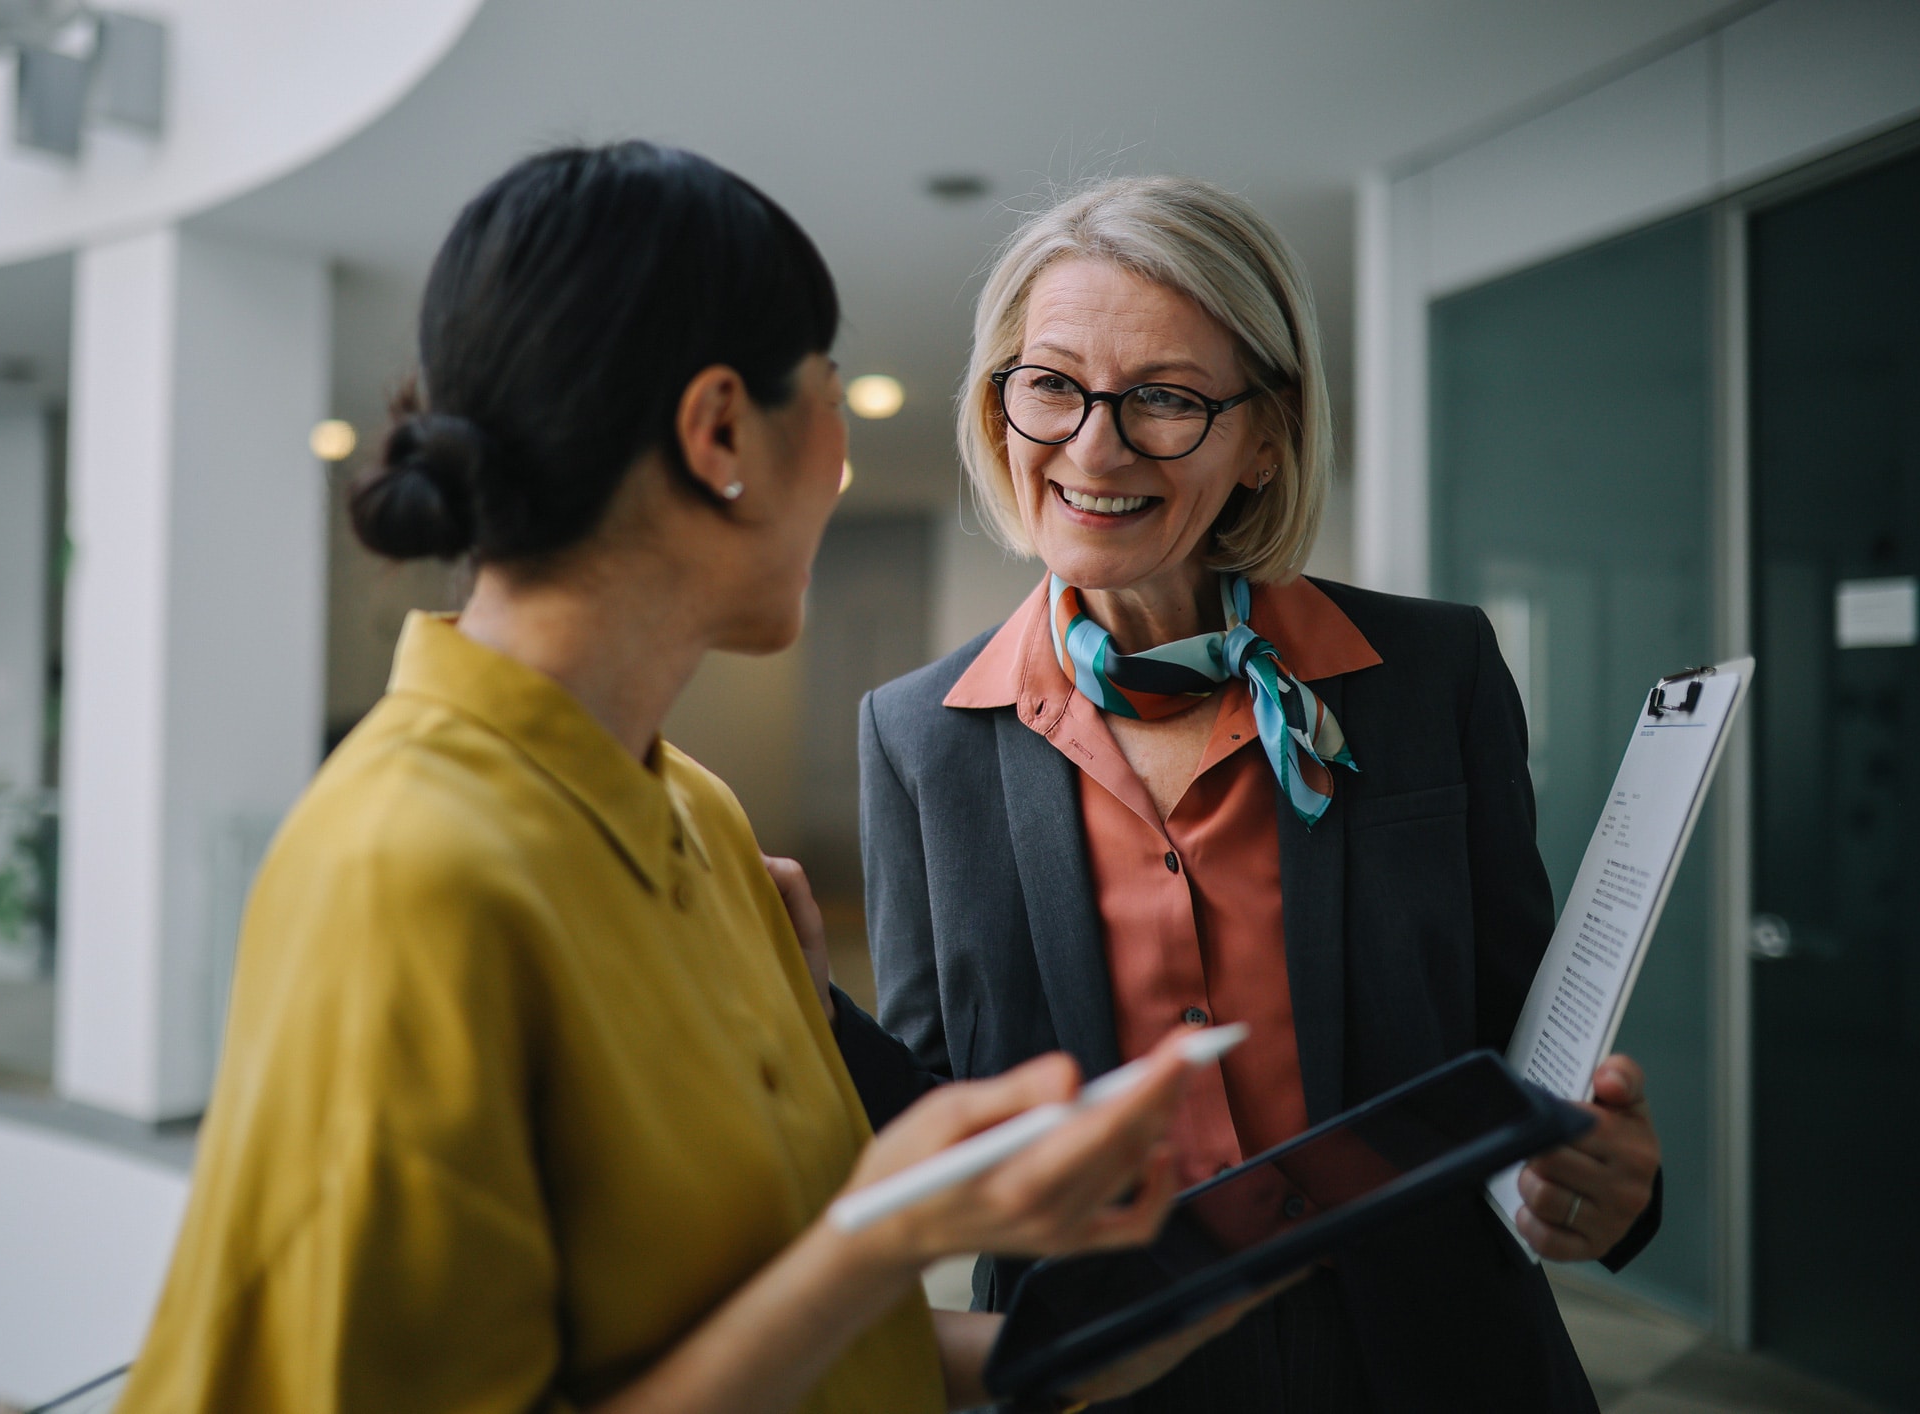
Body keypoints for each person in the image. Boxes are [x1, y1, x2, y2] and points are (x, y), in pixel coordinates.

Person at [113, 143, 1272, 1414]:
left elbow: (807, 1351)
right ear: (721, 430)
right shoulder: (400, 872)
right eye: (829, 396)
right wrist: (880, 1238)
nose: (838, 460)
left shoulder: (707, 824)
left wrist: (1098, 1353)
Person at [812, 176, 1664, 1412]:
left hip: (1435, 1348)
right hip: (1108, 1360)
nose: (1093, 448)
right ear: (999, 408)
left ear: (1268, 433)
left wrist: (1607, 1176)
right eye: (1050, 383)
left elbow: (1528, 1042)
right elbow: (957, 1113)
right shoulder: (916, 737)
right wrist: (805, 1014)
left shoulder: (1432, 676)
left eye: (1164, 397)